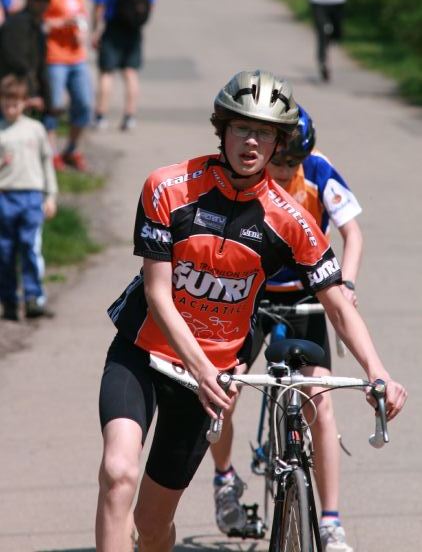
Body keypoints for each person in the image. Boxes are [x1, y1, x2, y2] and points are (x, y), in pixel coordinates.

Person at [95, 69, 406, 552]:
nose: (252, 141)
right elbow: (157, 294)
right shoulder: (168, 187)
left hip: (209, 379)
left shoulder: (291, 219)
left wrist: (377, 370)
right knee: (118, 473)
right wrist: (201, 369)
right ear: (222, 129)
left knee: (153, 526)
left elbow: (338, 305)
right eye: (242, 127)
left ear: (279, 142)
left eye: (264, 132)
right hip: (143, 353)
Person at [210, 105, 363, 551]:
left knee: (320, 401)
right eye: (278, 161)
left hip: (305, 294)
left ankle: (330, 520)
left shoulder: (318, 172)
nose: (283, 170)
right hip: (253, 293)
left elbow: (353, 234)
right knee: (225, 391)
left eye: (293, 162)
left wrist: (347, 284)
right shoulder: (246, 176)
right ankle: (224, 479)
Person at [0, 74, 57, 321]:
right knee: (4, 251)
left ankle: (34, 298)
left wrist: (50, 196)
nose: (11, 108)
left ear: (24, 102)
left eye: (16, 103)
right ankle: (9, 301)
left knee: (29, 247)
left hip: (32, 196)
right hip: (5, 197)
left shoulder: (35, 129)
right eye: (6, 103)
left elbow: (47, 164)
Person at [90, 0, 154, 131]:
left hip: (113, 29)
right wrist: (139, 21)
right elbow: (151, 2)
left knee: (106, 73)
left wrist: (96, 30)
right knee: (131, 72)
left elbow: (99, 5)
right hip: (133, 31)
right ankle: (129, 116)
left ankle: (101, 116)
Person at [43, 0, 92, 171]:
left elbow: (82, 18)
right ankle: (51, 153)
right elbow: (42, 23)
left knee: (84, 104)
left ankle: (72, 149)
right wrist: (65, 21)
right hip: (55, 57)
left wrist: (82, 33)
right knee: (54, 106)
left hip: (77, 57)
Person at [0, 0, 51, 116]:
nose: (42, 3)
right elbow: (18, 64)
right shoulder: (16, 23)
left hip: (27, 95)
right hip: (11, 94)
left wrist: (47, 101)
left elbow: (40, 66)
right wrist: (31, 95)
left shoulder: (38, 25)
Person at [307, 0, 360, 81]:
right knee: (321, 30)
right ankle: (322, 60)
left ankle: (328, 42)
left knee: (337, 33)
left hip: (336, 0)